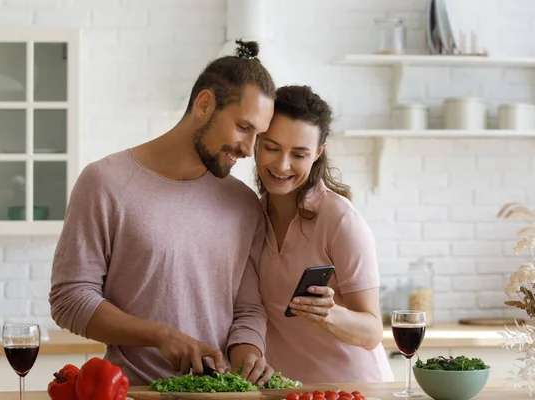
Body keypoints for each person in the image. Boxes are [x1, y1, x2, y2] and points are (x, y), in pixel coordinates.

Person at [49, 40, 277, 385]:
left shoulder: (244, 204)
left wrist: (248, 353)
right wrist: (160, 335)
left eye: (257, 135)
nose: (248, 149)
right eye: (243, 128)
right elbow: (70, 299)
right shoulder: (105, 183)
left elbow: (246, 309)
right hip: (133, 392)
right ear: (204, 104)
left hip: (220, 394)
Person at [251, 85, 394, 383]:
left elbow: (371, 332)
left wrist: (329, 314)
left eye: (299, 154)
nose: (282, 165)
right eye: (272, 148)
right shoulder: (249, 218)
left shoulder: (340, 220)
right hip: (288, 388)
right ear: (256, 142)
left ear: (318, 153)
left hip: (352, 387)